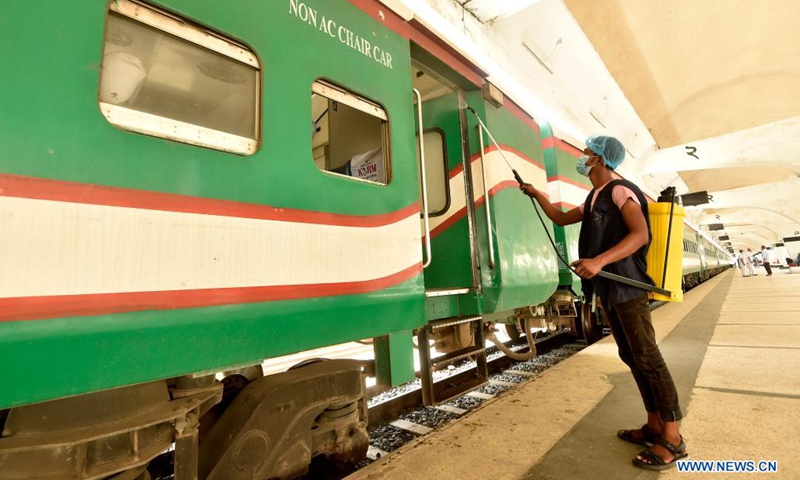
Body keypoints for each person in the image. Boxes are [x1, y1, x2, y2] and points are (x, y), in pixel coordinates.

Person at [520, 134, 686, 470]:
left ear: (599, 159)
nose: (582, 157)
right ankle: (653, 424)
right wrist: (538, 194)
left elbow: (640, 235)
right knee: (631, 355)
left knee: (648, 357)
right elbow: (562, 218)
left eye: (587, 153)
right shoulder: (595, 195)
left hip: (627, 285)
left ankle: (673, 437)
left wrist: (599, 261)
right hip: (609, 288)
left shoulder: (620, 190)